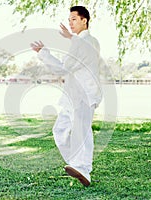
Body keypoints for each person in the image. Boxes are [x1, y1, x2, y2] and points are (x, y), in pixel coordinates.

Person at [30, 6, 102, 186]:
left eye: (74, 20)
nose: (70, 23)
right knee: (60, 130)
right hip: (72, 95)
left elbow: (64, 67)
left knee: (82, 131)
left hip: (84, 95)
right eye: (69, 20)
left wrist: (44, 53)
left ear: (84, 20)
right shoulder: (79, 42)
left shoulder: (88, 42)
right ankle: (77, 165)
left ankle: (84, 168)